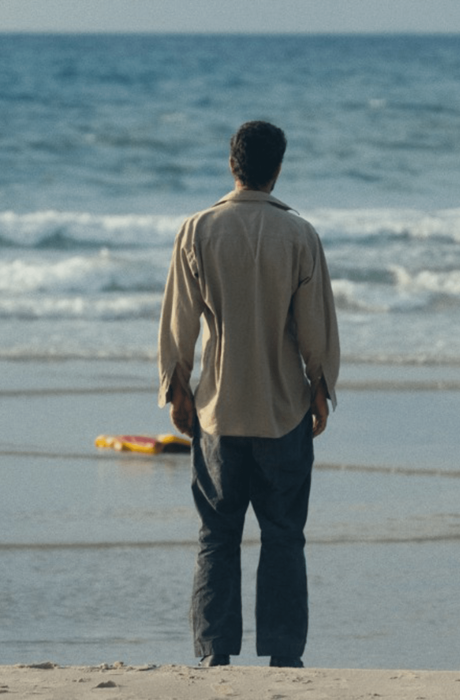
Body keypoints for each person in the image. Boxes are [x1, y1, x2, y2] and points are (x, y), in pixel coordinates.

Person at [157, 121, 340, 669]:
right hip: (283, 408)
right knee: (284, 535)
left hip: (218, 407)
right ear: (277, 168)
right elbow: (315, 328)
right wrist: (321, 388)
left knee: (216, 536)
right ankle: (284, 654)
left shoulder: (197, 229)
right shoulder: (299, 234)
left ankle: (214, 652)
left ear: (231, 164)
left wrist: (176, 388)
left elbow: (178, 322)